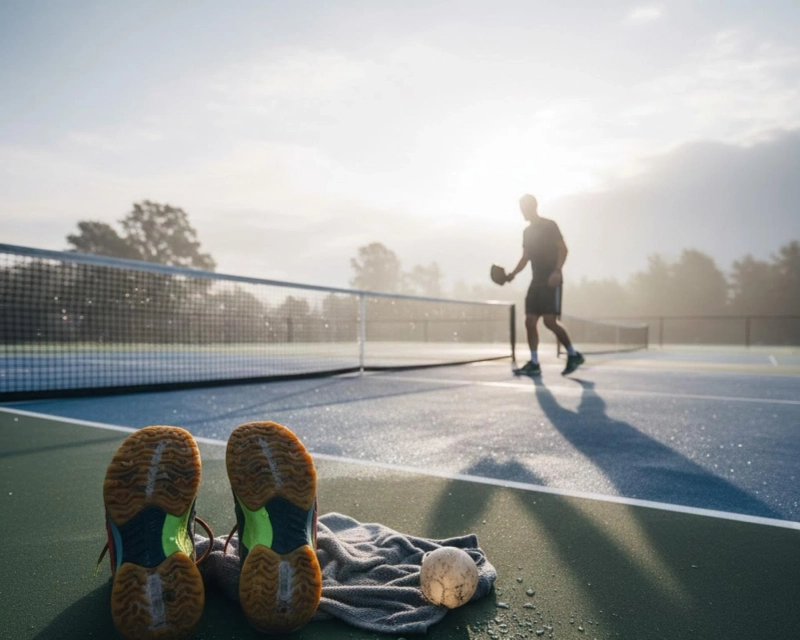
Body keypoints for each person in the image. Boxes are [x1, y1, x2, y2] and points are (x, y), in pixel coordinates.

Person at [505, 194, 584, 376]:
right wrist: (511, 275)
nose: (522, 212)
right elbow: (525, 258)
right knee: (529, 321)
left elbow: (563, 249)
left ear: (533, 207)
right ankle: (534, 363)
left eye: (524, 208)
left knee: (549, 322)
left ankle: (573, 354)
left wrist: (557, 271)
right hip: (536, 282)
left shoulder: (550, 225)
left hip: (551, 281)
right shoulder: (527, 232)